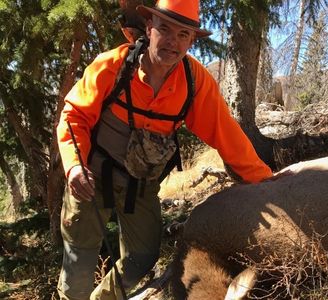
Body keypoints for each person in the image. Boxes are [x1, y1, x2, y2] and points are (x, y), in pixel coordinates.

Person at [55, 0, 273, 299]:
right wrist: (74, 166)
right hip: (91, 176)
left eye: (184, 34)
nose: (173, 41)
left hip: (139, 185)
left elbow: (226, 134)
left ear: (191, 40)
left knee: (143, 256)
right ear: (149, 28)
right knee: (79, 264)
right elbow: (73, 116)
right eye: (165, 29)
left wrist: (266, 182)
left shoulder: (194, 82)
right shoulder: (113, 65)